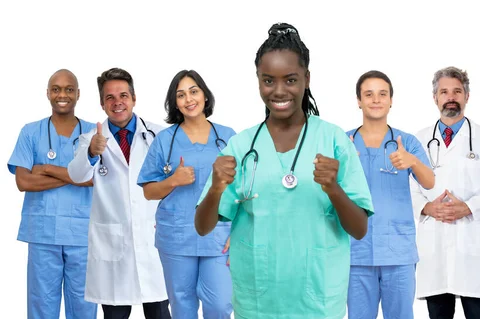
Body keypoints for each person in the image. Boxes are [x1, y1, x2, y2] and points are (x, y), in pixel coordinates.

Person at [194, 22, 374, 319]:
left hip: (317, 300)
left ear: (306, 79)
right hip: (258, 303)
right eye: (268, 81)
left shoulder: (333, 140)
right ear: (258, 81)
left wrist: (334, 189)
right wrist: (215, 188)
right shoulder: (241, 146)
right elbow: (202, 227)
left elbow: (359, 229)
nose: (279, 91)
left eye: (290, 80)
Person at [67, 68, 170, 318]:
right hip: (111, 247)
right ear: (102, 103)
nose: (117, 102)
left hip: (153, 241)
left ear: (134, 98)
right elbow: (76, 175)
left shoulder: (160, 135)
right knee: (114, 313)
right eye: (110, 97)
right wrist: (92, 152)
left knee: (159, 310)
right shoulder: (89, 139)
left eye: (123, 95)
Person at [409, 66, 480, 319]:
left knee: (478, 314)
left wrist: (468, 207)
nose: (450, 97)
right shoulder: (419, 140)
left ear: (467, 96)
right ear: (435, 98)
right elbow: (406, 186)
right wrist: (428, 207)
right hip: (435, 243)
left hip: (472, 242)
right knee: (438, 314)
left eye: (457, 91)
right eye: (444, 92)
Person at [137, 69, 236, 318]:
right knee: (182, 306)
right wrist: (173, 180)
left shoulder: (227, 137)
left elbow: (243, 190)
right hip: (177, 237)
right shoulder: (164, 140)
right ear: (175, 103)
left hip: (218, 237)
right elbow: (149, 191)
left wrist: (239, 231)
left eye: (194, 91)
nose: (188, 99)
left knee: (221, 304)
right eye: (181, 95)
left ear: (204, 95)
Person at [8, 69, 97, 319]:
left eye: (69, 89)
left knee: (84, 306)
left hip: (83, 235)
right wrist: (74, 176)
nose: (62, 94)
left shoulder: (93, 133)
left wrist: (46, 169)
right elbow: (23, 181)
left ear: (78, 94)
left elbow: (95, 179)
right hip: (42, 233)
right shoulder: (30, 132)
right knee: (41, 305)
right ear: (48, 93)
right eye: (56, 89)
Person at [346, 70, 434, 319]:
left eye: (382, 94)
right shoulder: (344, 143)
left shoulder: (406, 142)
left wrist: (413, 161)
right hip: (356, 253)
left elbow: (429, 183)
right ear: (359, 101)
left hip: (398, 251)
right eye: (369, 94)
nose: (376, 99)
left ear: (391, 100)